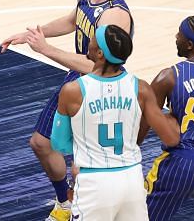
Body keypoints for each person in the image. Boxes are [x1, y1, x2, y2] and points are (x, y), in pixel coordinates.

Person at [0, 0, 133, 221]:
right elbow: (74, 20)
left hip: (101, 87)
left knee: (84, 163)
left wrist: (46, 49)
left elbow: (99, 65)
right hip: (78, 79)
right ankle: (65, 203)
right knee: (40, 143)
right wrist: (35, 34)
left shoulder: (114, 15)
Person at [51, 25, 180, 220]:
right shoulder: (141, 88)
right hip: (132, 180)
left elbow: (59, 143)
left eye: (93, 39)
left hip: (94, 182)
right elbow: (171, 138)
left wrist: (85, 148)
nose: (90, 40)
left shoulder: (73, 90)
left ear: (100, 53)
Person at [140, 16, 194, 220]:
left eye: (179, 34)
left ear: (189, 45)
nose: (175, 37)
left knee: (143, 216)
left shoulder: (169, 76)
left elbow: (143, 123)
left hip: (182, 162)